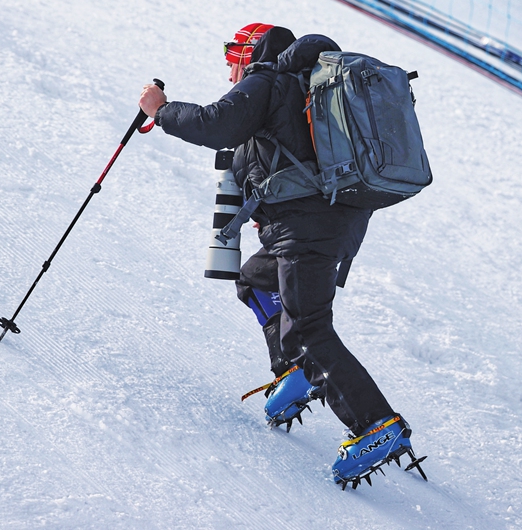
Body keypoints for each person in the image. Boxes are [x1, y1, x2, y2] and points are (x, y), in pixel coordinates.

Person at [138, 24, 421, 487]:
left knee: (309, 327)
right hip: (331, 224)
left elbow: (214, 123)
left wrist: (161, 109)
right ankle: (296, 373)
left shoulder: (268, 80)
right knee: (256, 279)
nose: (229, 69)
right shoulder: (306, 86)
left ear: (249, 54)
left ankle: (376, 424)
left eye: (232, 57)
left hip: (306, 230)